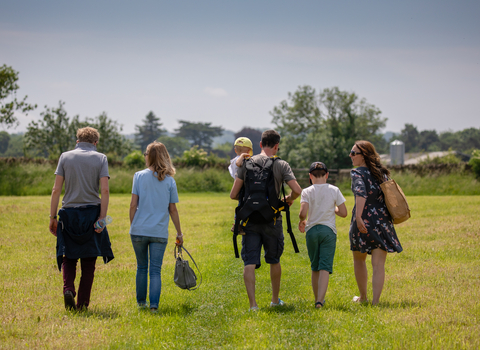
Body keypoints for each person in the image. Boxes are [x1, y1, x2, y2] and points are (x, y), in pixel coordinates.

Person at [230, 130, 302, 311]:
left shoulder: (245, 163)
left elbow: (233, 195)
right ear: (276, 146)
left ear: (260, 145)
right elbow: (297, 190)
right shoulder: (281, 164)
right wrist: (288, 199)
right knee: (274, 259)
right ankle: (275, 300)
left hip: (250, 220)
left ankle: (253, 305)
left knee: (250, 263)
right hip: (272, 219)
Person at [49, 126, 114, 311]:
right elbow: (105, 190)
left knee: (68, 256)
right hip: (91, 213)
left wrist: (53, 216)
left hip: (68, 213)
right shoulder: (101, 158)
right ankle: (83, 304)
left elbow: (56, 190)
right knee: (89, 261)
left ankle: (68, 288)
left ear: (77, 141)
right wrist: (102, 218)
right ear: (95, 143)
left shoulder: (65, 156)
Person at [129, 141, 183, 313]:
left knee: (141, 267)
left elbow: (133, 205)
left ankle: (140, 303)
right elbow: (172, 209)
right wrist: (179, 232)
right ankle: (154, 307)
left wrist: (134, 225)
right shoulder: (169, 181)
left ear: (149, 156)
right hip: (159, 232)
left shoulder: (138, 176)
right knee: (155, 270)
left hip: (139, 230)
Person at [349, 140, 403, 305]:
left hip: (363, 219)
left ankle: (363, 297)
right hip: (382, 221)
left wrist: (358, 218)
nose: (350, 156)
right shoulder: (383, 173)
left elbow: (361, 194)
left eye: (353, 153)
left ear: (363, 156)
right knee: (378, 264)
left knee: (359, 260)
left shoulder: (357, 173)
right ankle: (376, 302)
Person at [298, 162, 347, 308]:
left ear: (310, 176)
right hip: (328, 231)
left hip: (312, 231)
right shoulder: (334, 190)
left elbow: (302, 213)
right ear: (327, 175)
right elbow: (344, 213)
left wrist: (302, 221)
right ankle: (320, 300)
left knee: (315, 266)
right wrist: (334, 209)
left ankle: (316, 298)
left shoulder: (306, 191)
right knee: (325, 266)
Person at [228, 137, 254, 234]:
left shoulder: (235, 159)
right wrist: (243, 155)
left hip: (240, 185)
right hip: (241, 186)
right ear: (249, 150)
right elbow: (238, 164)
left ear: (235, 150)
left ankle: (239, 223)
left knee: (242, 205)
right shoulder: (238, 160)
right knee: (240, 206)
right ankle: (236, 225)